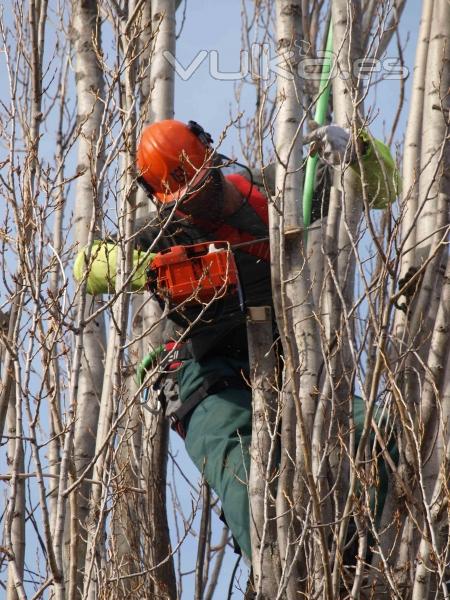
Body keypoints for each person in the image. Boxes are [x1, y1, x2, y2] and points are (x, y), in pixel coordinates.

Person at [73, 119, 399, 561]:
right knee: (250, 481)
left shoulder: (275, 193)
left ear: (212, 162)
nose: (193, 205)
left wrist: (357, 150)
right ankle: (284, 577)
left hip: (288, 367)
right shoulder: (163, 233)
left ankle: (365, 558)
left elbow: (385, 190)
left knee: (383, 433)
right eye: (181, 198)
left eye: (199, 189)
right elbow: (87, 266)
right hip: (204, 379)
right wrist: (146, 268)